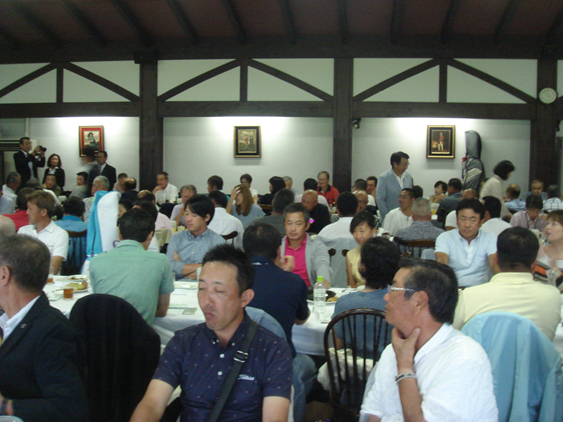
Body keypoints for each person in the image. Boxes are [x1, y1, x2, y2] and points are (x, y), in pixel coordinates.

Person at [130, 244, 293, 422]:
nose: (206, 301)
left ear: (245, 298)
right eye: (201, 289)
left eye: (219, 291)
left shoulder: (272, 349)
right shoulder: (184, 342)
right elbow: (152, 403)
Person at [360, 259, 498, 422]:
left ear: (419, 301)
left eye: (394, 289)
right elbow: (375, 413)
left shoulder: (464, 357)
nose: (386, 297)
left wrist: (405, 367)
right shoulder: (394, 348)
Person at [0, 235, 88, 422]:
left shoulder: (51, 331)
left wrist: (6, 406)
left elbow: (69, 407)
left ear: (3, 275)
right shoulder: (9, 320)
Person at [244, 223, 314, 422]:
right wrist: (286, 272)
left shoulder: (233, 280)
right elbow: (301, 319)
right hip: (281, 361)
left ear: (244, 251)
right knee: (309, 365)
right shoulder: (293, 282)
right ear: (278, 250)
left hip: (237, 358)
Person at [454, 227, 561, 340]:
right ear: (534, 265)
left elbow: (451, 335)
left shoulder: (468, 296)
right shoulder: (553, 296)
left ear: (496, 259)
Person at [90, 208, 175, 324]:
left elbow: (100, 302)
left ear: (119, 235)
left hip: (102, 332)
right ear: (150, 235)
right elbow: (162, 310)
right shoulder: (160, 261)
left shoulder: (96, 261)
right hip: (139, 333)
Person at [335, 237, 399, 356]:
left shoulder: (344, 303)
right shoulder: (400, 304)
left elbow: (338, 347)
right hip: (389, 365)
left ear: (362, 266)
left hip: (353, 366)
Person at [435, 199, 498, 287]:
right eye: (463, 219)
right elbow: (441, 261)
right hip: (454, 289)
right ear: (457, 221)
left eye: (472, 220)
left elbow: (494, 263)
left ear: (481, 222)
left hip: (481, 289)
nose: (467, 225)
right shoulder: (445, 237)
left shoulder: (489, 237)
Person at [166, 194, 225, 280]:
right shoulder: (176, 238)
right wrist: (203, 266)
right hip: (176, 286)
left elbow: (216, 272)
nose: (188, 219)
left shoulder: (217, 242)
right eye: (186, 214)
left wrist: (180, 266)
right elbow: (169, 267)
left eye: (194, 215)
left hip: (205, 287)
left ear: (206, 217)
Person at [280, 203, 332, 288]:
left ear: (307, 226)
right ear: (284, 225)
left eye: (298, 224)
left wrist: (323, 282)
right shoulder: (277, 246)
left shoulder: (317, 246)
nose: (293, 229)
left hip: (308, 292)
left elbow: (322, 265)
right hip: (281, 292)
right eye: (289, 223)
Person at [18, 190, 69, 275]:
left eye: (30, 209)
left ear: (43, 212)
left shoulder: (60, 234)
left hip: (47, 280)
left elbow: (54, 269)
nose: (27, 212)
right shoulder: (23, 231)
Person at [376, 151, 413, 222]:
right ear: (395, 164)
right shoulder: (384, 178)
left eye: (407, 164)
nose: (406, 167)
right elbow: (380, 200)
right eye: (404, 164)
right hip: (390, 218)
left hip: (406, 218)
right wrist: (388, 217)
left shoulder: (408, 176)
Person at [346, 211, 378, 287]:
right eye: (354, 231)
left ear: (373, 230)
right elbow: (351, 286)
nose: (358, 236)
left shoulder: (381, 252)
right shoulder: (351, 254)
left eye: (362, 231)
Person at [534, 210, 563, 288]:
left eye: (554, 224)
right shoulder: (537, 252)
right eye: (547, 223)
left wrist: (558, 277)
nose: (548, 227)